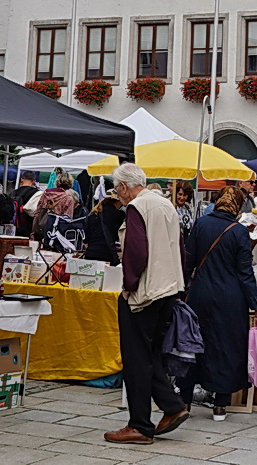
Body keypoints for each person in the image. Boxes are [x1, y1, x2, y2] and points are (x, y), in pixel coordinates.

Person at [105, 163, 189, 445]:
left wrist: (129, 286)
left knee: (136, 357)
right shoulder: (165, 205)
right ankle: (172, 405)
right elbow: (179, 247)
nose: (118, 196)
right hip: (168, 288)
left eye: (118, 190)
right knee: (149, 354)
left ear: (125, 187)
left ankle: (140, 424)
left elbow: (136, 251)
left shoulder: (138, 207)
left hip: (147, 291)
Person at [180, 186, 257, 420]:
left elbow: (188, 261)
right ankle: (220, 405)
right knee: (225, 348)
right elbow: (245, 273)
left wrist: (181, 290)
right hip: (229, 299)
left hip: (199, 295)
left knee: (193, 345)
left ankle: (185, 401)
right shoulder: (239, 232)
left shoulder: (201, 224)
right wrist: (255, 302)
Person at [84, 194, 125, 263]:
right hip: (107, 254)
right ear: (118, 202)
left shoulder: (93, 214)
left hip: (90, 253)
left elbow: (86, 237)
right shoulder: (119, 215)